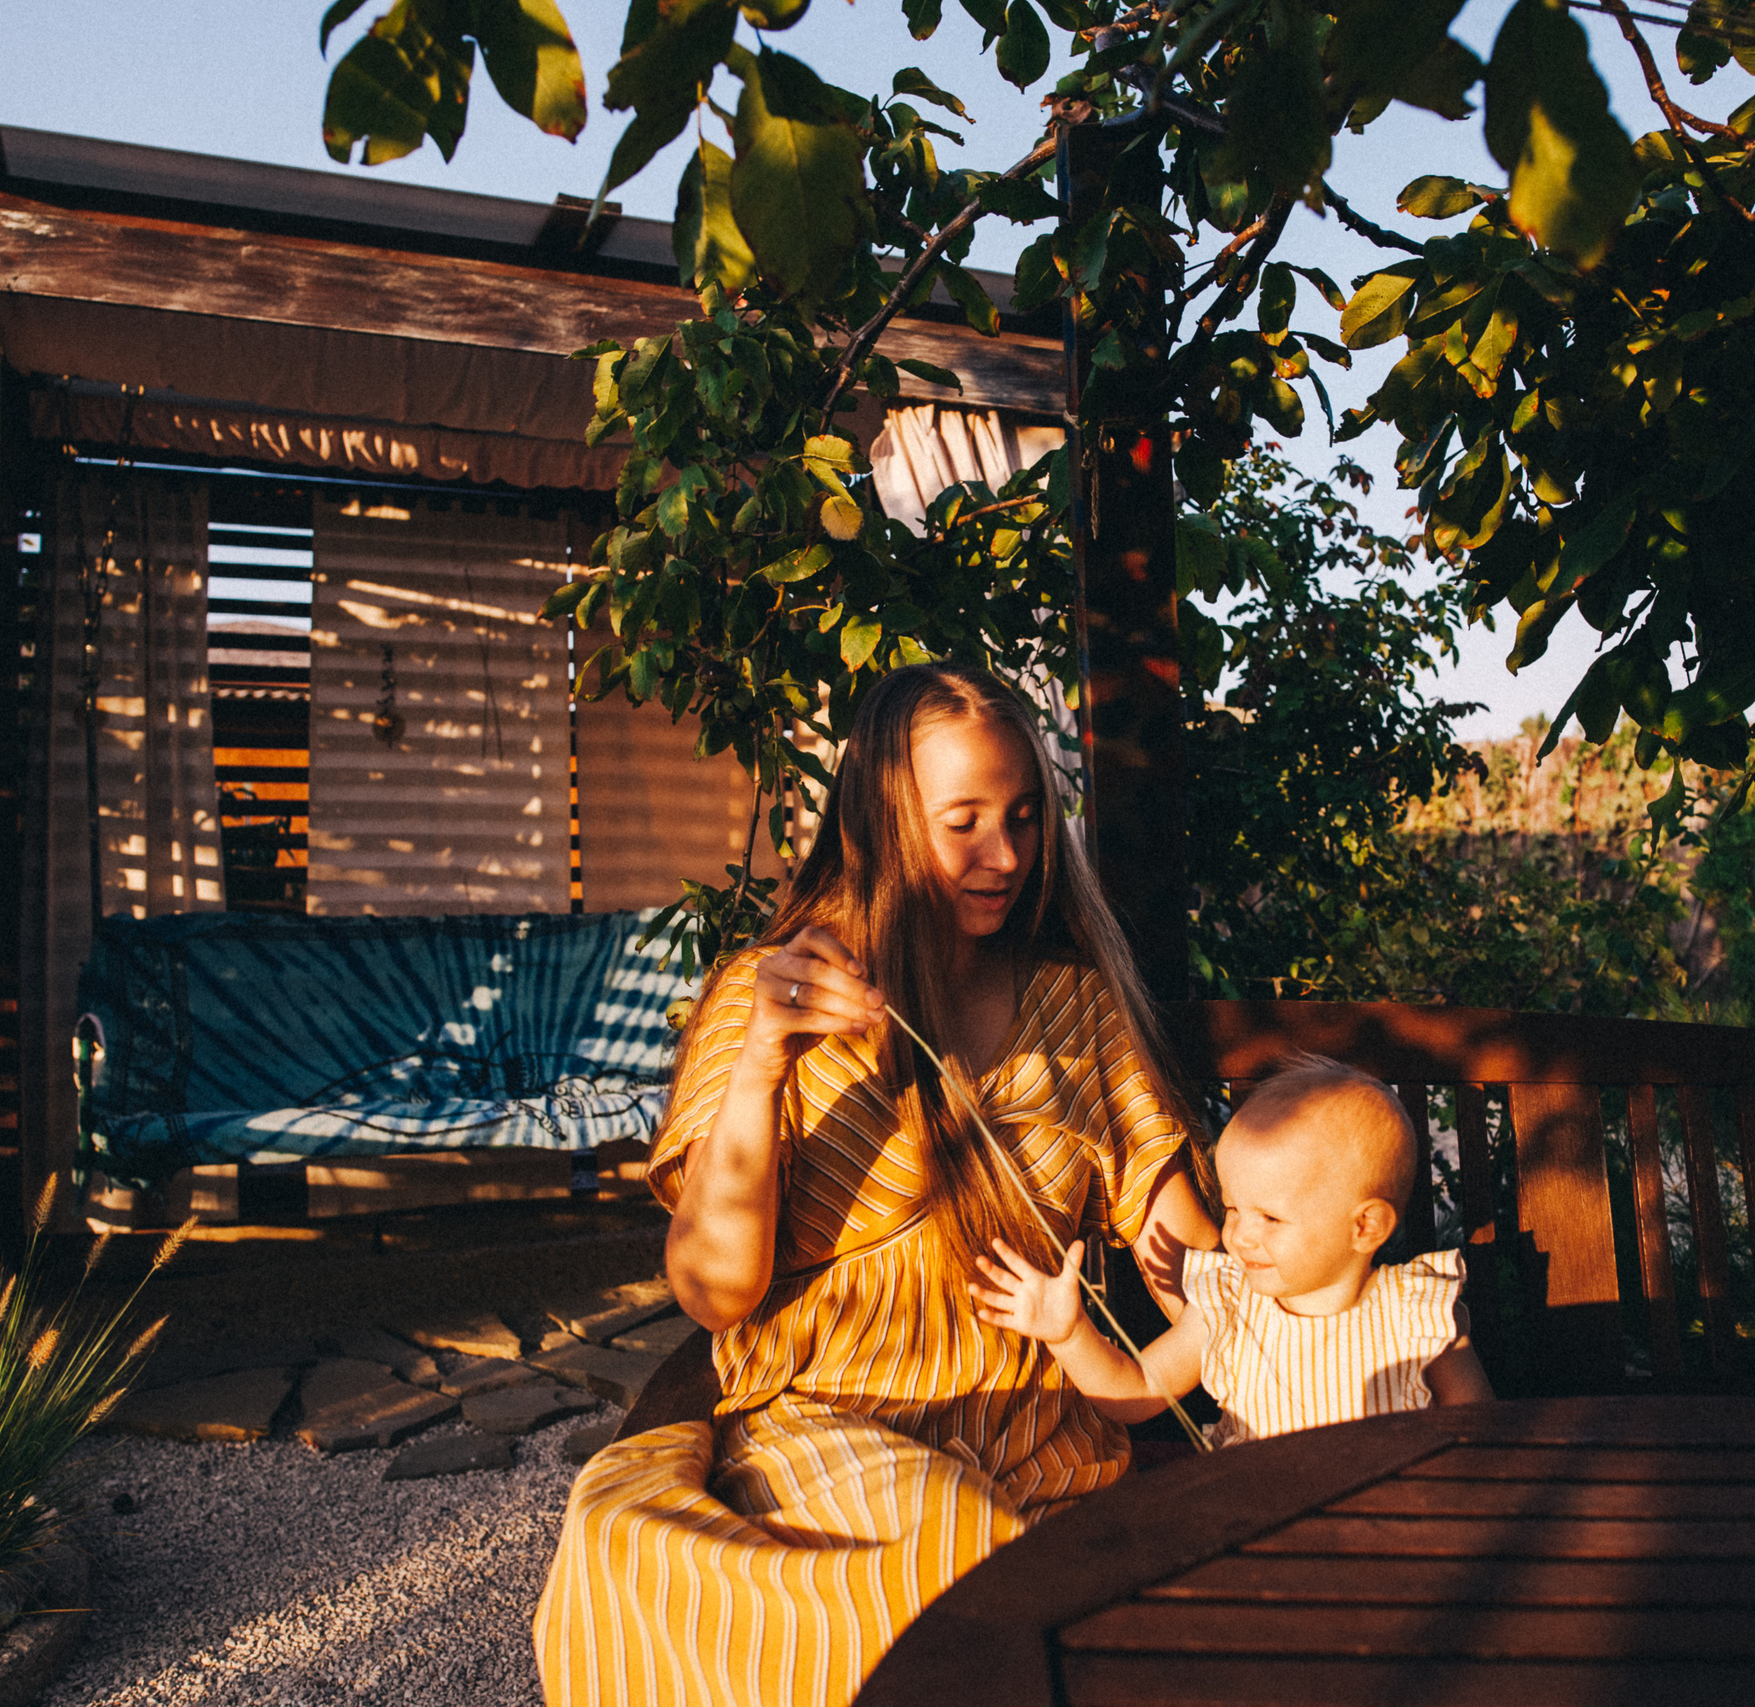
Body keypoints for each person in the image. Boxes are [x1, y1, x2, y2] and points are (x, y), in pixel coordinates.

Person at [534, 662, 1218, 1707]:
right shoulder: (767, 1002)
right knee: (966, 1570)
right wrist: (761, 1063)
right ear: (880, 820)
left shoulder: (1076, 1008)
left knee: (1027, 1595)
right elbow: (713, 1293)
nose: (1005, 857)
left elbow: (1201, 1273)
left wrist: (1306, 1335)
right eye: (963, 823)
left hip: (1042, 1451)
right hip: (827, 1437)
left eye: (1024, 818)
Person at [975, 1054, 1493, 1446]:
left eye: (1270, 1217)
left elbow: (1483, 1436)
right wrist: (1069, 1334)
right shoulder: (1227, 1306)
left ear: (1366, 1227)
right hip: (1252, 1529)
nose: (1240, 1235)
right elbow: (1137, 1390)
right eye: (1231, 1209)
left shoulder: (1416, 1317)